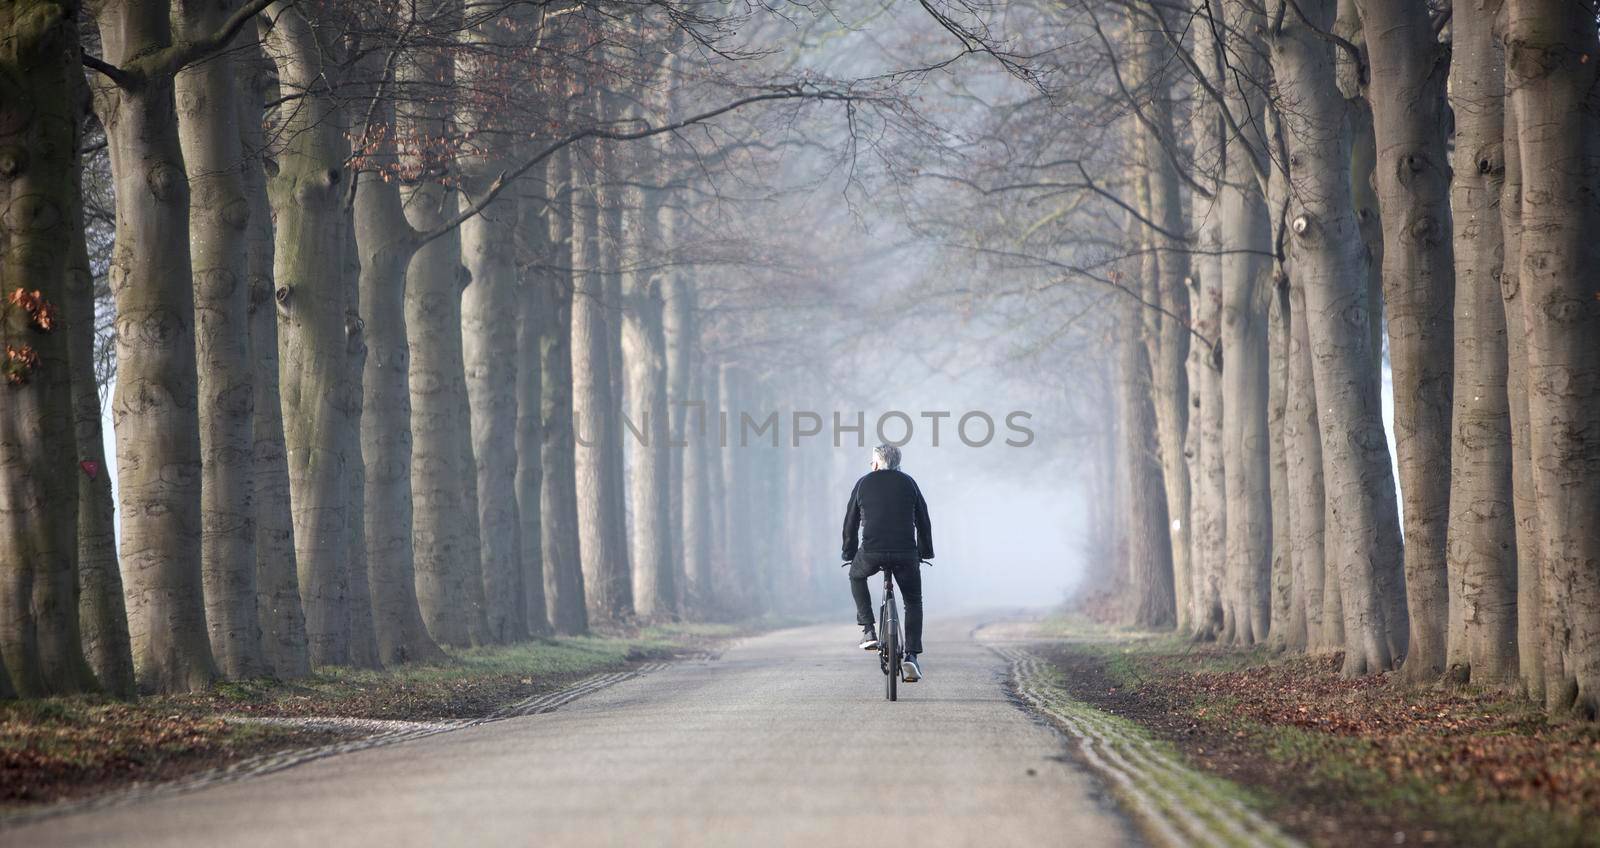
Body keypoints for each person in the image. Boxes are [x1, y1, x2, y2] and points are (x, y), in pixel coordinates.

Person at [842, 443, 933, 682]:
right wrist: (925, 552)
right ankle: (912, 656)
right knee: (913, 601)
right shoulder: (909, 483)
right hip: (906, 553)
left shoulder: (863, 483)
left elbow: (850, 522)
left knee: (856, 575)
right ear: (897, 463)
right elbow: (923, 520)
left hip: (872, 551)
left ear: (876, 463)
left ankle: (869, 629)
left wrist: (848, 554)